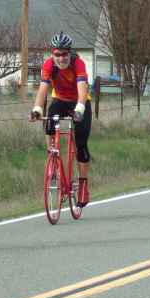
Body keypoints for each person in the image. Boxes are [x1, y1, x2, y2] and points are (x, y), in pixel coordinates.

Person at [29, 31, 93, 207]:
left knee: (80, 143)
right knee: (49, 120)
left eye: (64, 54)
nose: (60, 58)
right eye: (56, 54)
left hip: (80, 102)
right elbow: (42, 91)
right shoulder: (49, 65)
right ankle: (53, 156)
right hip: (61, 100)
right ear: (53, 54)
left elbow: (82, 92)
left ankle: (82, 184)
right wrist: (36, 110)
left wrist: (79, 111)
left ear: (69, 53)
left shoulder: (78, 64)